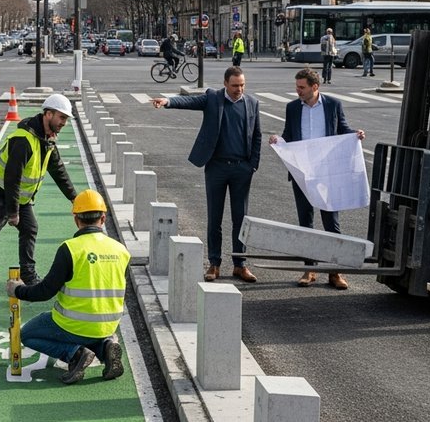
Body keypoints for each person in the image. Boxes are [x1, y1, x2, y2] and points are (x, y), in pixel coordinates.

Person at [0, 94, 79, 303]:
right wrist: (13, 213)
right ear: (48, 114)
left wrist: (74, 198)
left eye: (65, 119)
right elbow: (13, 178)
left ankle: (28, 276)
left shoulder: (47, 139)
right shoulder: (24, 139)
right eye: (61, 117)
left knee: (30, 228)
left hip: (18, 195)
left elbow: (58, 170)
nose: (63, 123)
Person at [6, 190, 128, 385]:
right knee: (91, 333)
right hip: (108, 325)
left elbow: (45, 291)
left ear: (76, 219)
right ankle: (105, 347)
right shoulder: (121, 250)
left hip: (71, 325)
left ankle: (75, 354)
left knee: (27, 334)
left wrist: (18, 290)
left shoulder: (70, 249)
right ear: (103, 218)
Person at [152, 66, 261, 282]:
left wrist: (253, 165)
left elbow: (256, 135)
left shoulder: (252, 103)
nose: (239, 89)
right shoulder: (213, 98)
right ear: (225, 84)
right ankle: (214, 263)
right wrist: (168, 102)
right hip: (216, 167)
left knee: (241, 218)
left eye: (242, 85)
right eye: (234, 86)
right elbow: (190, 102)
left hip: (241, 169)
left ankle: (240, 264)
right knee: (215, 218)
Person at [268, 68, 365, 290]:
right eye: (297, 87)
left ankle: (335, 271)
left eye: (301, 87)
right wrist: (278, 139)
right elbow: (289, 135)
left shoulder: (333, 105)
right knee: (306, 222)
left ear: (315, 87)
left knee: (332, 223)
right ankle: (309, 269)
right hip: (303, 173)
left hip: (328, 174)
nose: (297, 91)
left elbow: (342, 130)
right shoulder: (292, 108)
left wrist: (355, 135)